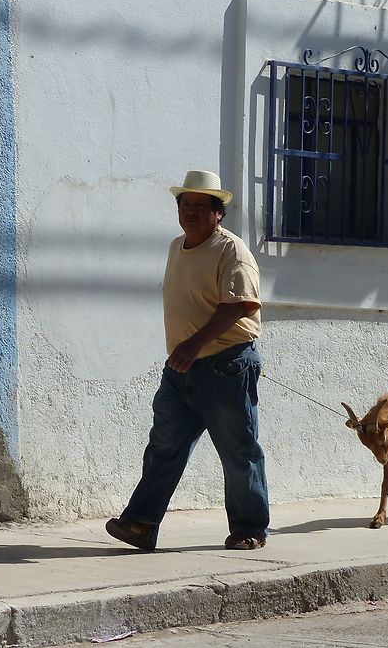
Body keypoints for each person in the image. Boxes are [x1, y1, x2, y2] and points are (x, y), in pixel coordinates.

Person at [106, 169, 269, 551]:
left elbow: (243, 305)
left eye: (201, 206)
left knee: (238, 450)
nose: (191, 212)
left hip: (226, 367)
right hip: (181, 370)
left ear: (218, 214)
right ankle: (141, 525)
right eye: (185, 205)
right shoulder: (175, 246)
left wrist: (194, 344)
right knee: (164, 446)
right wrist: (186, 351)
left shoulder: (231, 250)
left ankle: (250, 529)